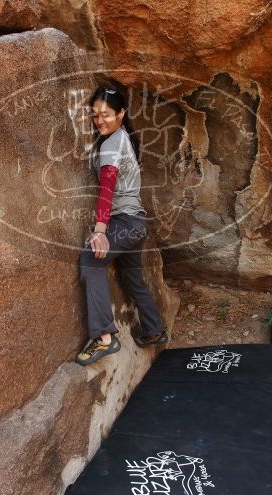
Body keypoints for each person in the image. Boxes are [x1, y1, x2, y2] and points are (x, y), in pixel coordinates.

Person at [75, 85, 169, 366]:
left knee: (91, 261)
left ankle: (104, 337)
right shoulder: (124, 138)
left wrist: (101, 231)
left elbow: (107, 188)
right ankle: (153, 330)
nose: (99, 120)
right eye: (94, 115)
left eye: (106, 114)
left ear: (122, 113)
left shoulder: (112, 143)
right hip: (136, 223)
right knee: (132, 279)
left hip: (124, 222)